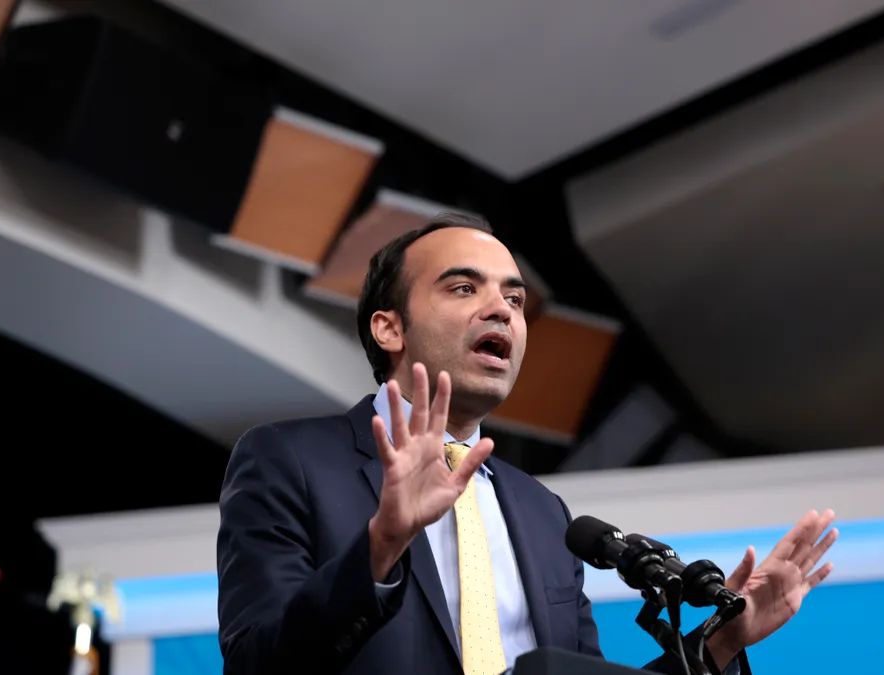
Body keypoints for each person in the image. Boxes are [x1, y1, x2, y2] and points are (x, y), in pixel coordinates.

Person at [216, 214, 838, 675]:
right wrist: (382, 545)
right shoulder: (289, 461)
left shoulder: (544, 514)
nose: (504, 310)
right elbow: (258, 663)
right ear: (389, 327)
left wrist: (721, 641)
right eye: (464, 289)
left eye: (514, 298)